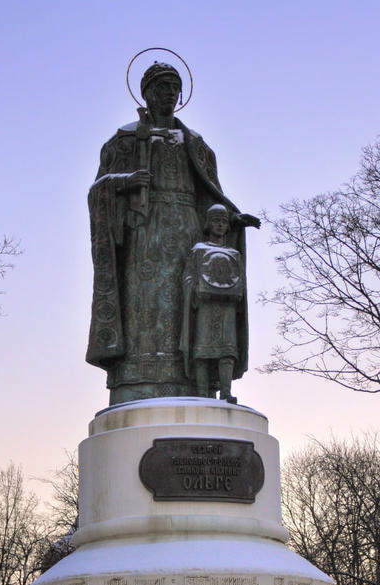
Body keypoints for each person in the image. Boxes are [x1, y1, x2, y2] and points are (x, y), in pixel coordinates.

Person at [86, 62, 259, 405]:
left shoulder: (196, 145)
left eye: (174, 89)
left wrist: (233, 220)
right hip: (144, 236)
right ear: (147, 94)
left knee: (189, 303)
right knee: (146, 304)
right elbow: (98, 191)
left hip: (188, 236)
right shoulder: (123, 142)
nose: (168, 94)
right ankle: (139, 376)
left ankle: (196, 379)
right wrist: (126, 182)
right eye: (161, 88)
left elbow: (211, 197)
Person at [181, 205, 245, 404]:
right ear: (208, 224)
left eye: (224, 222)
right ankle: (201, 393)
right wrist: (194, 289)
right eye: (216, 221)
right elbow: (188, 276)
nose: (220, 225)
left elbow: (240, 279)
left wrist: (237, 292)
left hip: (227, 308)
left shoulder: (233, 253)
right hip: (205, 307)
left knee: (227, 351)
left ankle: (226, 392)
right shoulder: (199, 250)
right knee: (203, 351)